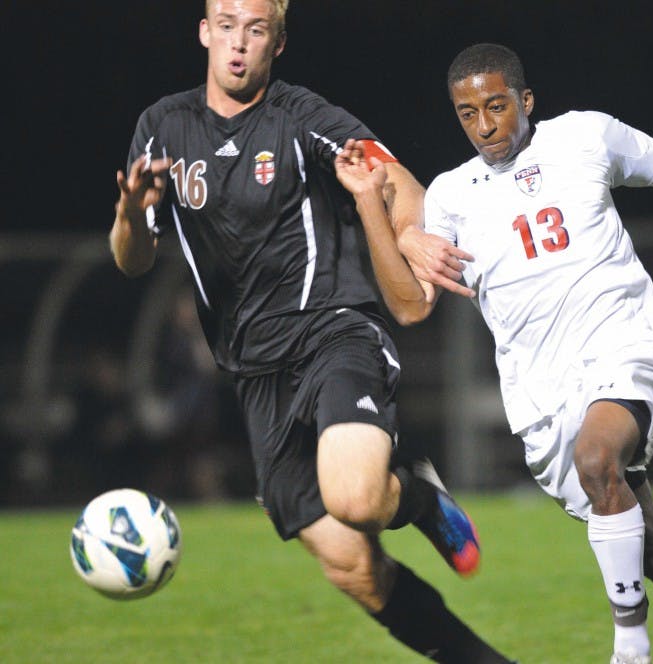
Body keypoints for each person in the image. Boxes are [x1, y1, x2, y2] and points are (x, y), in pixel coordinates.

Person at [333, 43, 653, 664]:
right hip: (540, 393)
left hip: (620, 345)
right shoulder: (450, 197)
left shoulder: (585, 136)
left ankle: (630, 652)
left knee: (597, 454)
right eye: (467, 114)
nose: (485, 126)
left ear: (526, 101)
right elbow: (410, 306)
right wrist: (371, 203)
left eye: (497, 107)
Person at [109, 2, 515, 662]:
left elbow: (393, 180)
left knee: (355, 497)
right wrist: (131, 215)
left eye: (257, 30)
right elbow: (132, 260)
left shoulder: (302, 117)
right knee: (352, 567)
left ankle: (414, 496)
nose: (240, 43)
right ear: (206, 31)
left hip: (334, 330)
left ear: (279, 41)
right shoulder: (162, 129)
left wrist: (411, 230)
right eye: (228, 25)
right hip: (253, 374)